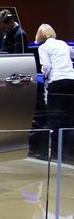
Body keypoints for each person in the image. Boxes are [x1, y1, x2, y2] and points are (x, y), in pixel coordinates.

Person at [35, 23, 74, 159]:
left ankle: (50, 153)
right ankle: (66, 152)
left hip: (57, 82)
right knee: (69, 118)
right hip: (71, 81)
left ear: (40, 35)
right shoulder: (63, 44)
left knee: (54, 118)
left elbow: (46, 67)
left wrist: (45, 75)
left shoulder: (43, 47)